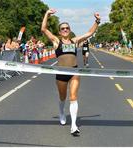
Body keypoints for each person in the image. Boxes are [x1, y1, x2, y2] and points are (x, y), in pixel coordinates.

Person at [41, 8, 101, 136]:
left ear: (70, 29)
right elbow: (44, 29)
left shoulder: (75, 41)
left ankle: (74, 125)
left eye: (67, 28)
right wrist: (47, 14)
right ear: (59, 31)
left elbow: (89, 33)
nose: (65, 30)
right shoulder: (56, 41)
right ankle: (62, 112)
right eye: (62, 28)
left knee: (73, 96)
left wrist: (97, 21)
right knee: (63, 97)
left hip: (74, 71)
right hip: (61, 73)